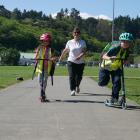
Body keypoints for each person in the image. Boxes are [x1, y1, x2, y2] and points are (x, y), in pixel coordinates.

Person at [98, 32, 133, 105]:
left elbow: (125, 60)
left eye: (127, 42)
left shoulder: (128, 51)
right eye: (124, 41)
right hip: (106, 67)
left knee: (117, 83)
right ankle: (106, 81)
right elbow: (103, 56)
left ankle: (114, 98)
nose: (125, 43)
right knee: (102, 83)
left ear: (130, 43)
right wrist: (110, 58)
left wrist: (127, 61)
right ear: (121, 41)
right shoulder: (115, 48)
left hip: (116, 68)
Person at [59, 27, 87, 96]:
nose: (76, 34)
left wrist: (79, 57)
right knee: (72, 76)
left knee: (79, 77)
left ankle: (77, 85)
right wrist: (61, 57)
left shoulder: (82, 42)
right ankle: (72, 89)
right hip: (71, 61)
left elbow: (84, 51)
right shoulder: (69, 42)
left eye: (78, 33)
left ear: (79, 34)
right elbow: (65, 50)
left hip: (80, 62)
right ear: (73, 34)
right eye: (75, 32)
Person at [34, 33, 57, 102]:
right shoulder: (39, 48)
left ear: (49, 42)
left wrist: (53, 59)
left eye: (47, 41)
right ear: (42, 41)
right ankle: (43, 93)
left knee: (44, 81)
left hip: (47, 68)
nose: (45, 42)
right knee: (40, 81)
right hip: (40, 67)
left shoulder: (51, 49)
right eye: (44, 41)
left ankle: (42, 94)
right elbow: (36, 56)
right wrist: (36, 57)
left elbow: (53, 57)